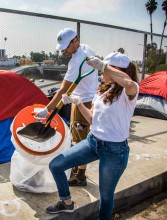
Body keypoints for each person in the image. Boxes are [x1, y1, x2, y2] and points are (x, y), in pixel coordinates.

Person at [46, 52, 139, 220]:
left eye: (105, 69)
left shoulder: (129, 92)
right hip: (93, 141)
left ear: (115, 70)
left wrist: (104, 66)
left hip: (114, 150)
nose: (102, 73)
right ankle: (66, 202)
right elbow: (91, 119)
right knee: (56, 165)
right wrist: (78, 102)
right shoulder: (104, 90)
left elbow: (129, 82)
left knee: (105, 196)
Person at [35, 28, 98, 186]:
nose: (63, 50)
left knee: (80, 140)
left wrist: (47, 109)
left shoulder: (77, 61)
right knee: (77, 137)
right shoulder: (84, 48)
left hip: (83, 101)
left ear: (75, 41)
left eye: (66, 47)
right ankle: (77, 171)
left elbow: (63, 89)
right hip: (82, 98)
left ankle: (80, 176)